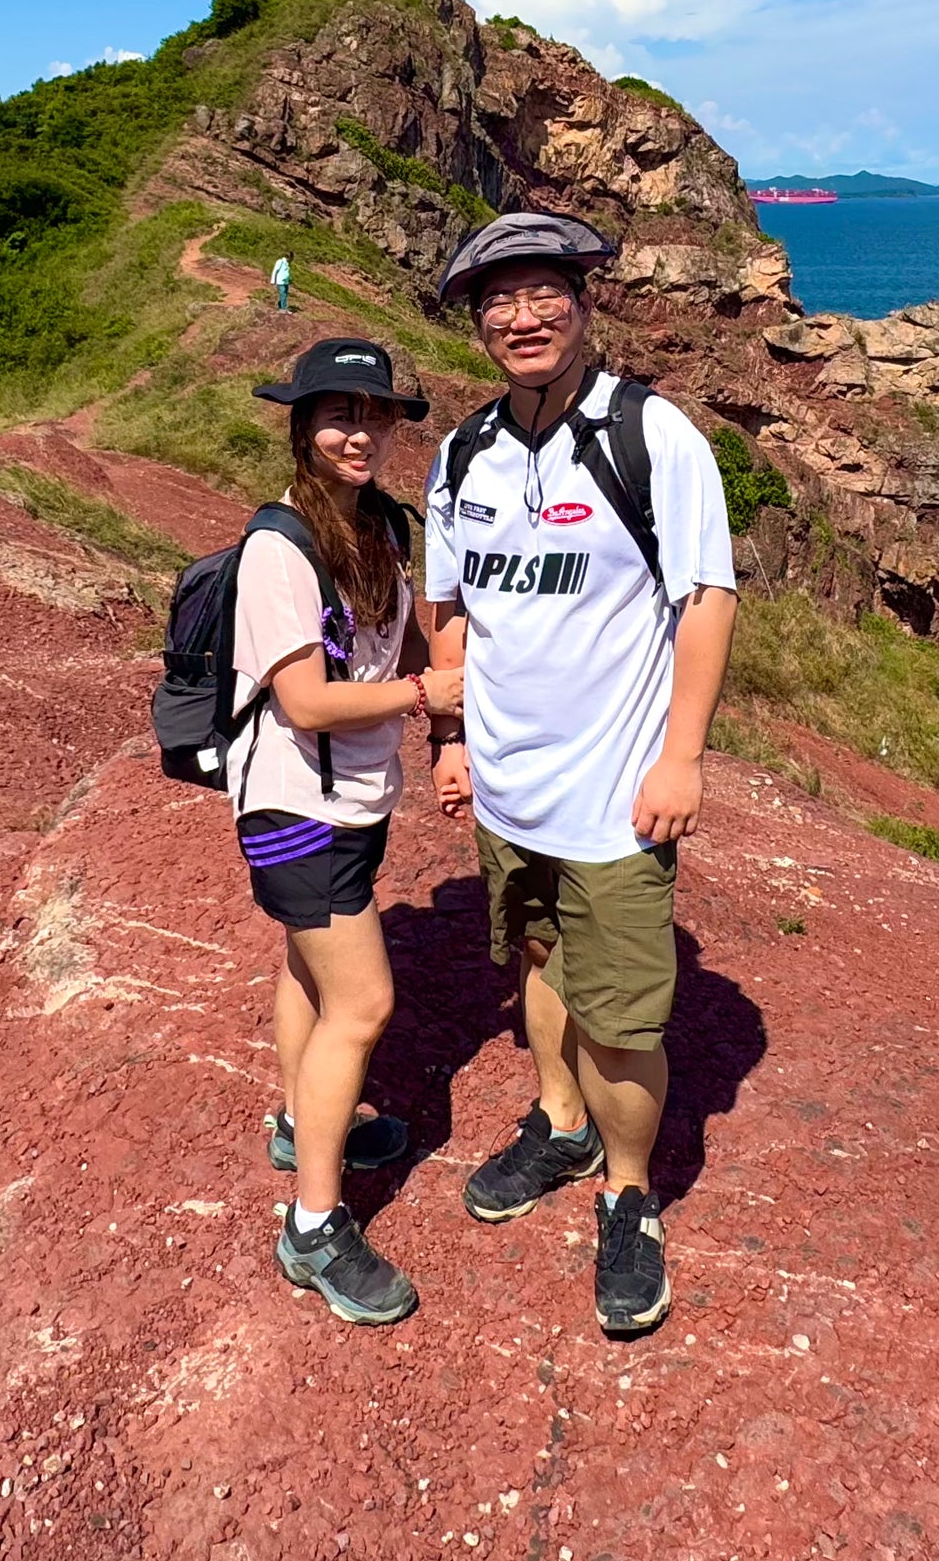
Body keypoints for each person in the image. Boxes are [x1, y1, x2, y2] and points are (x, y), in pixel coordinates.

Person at [422, 211, 739, 1339]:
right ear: (477, 323)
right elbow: (449, 607)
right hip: (510, 791)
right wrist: (452, 740)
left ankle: (628, 1193)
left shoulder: (649, 436)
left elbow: (705, 599)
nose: (523, 316)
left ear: (583, 300)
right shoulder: (463, 453)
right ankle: (559, 1127)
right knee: (539, 958)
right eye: (498, 301)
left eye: (542, 291)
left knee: (624, 1021)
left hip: (615, 799)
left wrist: (682, 756)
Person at [232, 337, 463, 1325]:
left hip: (354, 798)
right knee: (363, 1004)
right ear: (301, 427)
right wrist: (423, 698)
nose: (359, 435)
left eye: (375, 417)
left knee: (307, 968)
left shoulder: (378, 525)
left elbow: (404, 639)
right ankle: (314, 1228)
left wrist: (444, 727)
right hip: (291, 809)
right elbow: (306, 700)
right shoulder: (278, 548)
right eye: (338, 416)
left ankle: (301, 1123)